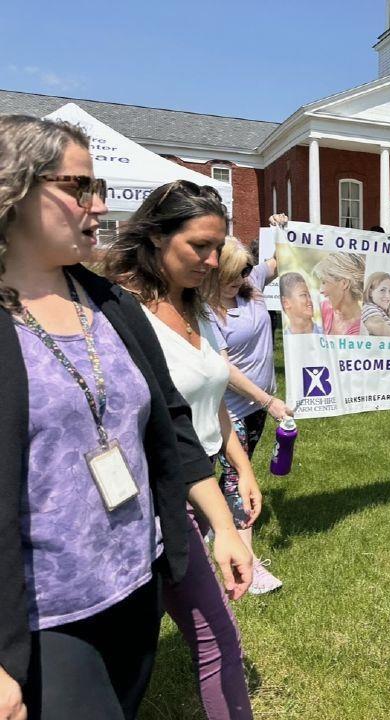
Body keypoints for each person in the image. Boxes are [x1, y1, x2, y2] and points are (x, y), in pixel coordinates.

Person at [0, 115, 252, 720]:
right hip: (46, 612)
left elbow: (169, 427)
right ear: (13, 190)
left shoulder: (109, 304)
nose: (99, 205)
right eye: (80, 187)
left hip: (135, 583)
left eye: (100, 188)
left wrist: (222, 526)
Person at [103, 179, 261, 719]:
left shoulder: (194, 308)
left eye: (219, 248)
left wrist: (241, 469)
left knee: (211, 638)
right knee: (142, 655)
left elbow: (209, 396)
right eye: (199, 246)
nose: (213, 260)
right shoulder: (118, 313)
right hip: (154, 495)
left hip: (205, 479)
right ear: (153, 237)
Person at [207, 236, 292, 595]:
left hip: (257, 407)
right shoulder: (205, 311)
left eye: (245, 270)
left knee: (229, 474)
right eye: (234, 273)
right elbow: (224, 368)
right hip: (230, 409)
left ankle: (213, 523)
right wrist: (267, 399)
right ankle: (248, 565)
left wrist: (284, 230)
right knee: (239, 479)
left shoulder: (251, 282)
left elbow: (280, 260)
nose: (242, 278)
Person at [313, 252, 364, 335]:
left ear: (344, 284)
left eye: (324, 282)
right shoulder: (325, 308)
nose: (321, 290)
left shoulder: (362, 331)